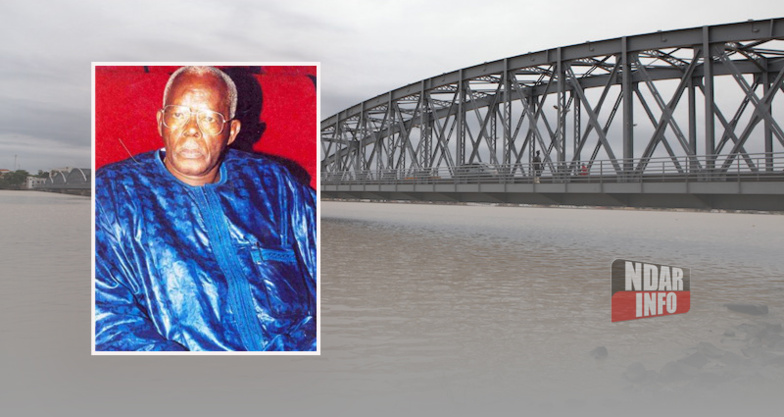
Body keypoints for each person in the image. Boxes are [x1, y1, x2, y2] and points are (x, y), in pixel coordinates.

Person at [94, 66, 317, 352]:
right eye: (178, 114)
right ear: (161, 122)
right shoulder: (114, 193)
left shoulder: (274, 183)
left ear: (232, 131)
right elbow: (105, 319)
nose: (191, 129)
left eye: (209, 118)